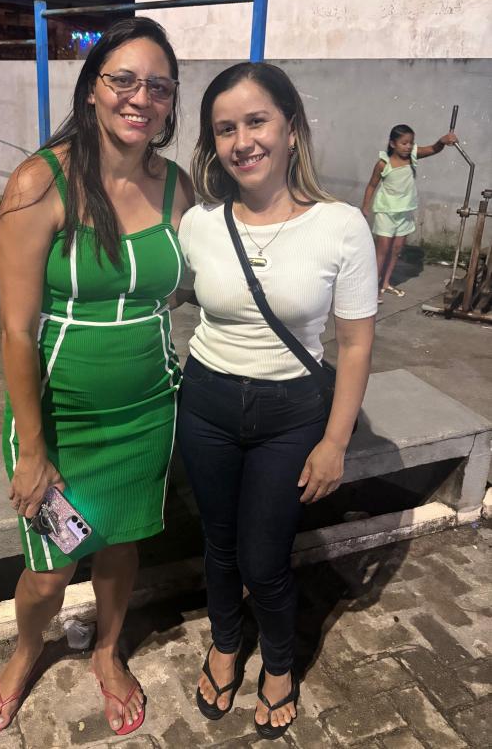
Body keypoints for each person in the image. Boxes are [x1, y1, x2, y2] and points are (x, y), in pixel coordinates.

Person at [0, 17, 193, 735]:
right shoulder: (40, 180)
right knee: (48, 571)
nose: (141, 98)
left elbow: (196, 281)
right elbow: (16, 329)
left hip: (148, 408)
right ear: (93, 88)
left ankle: (106, 649)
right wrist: (32, 448)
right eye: (123, 80)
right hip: (60, 417)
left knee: (122, 544)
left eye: (158, 86)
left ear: (171, 101)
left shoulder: (176, 186)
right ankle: (25, 651)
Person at [175, 62, 378, 740]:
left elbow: (355, 344)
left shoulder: (341, 225)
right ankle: (225, 645)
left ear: (291, 128)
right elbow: (161, 293)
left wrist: (335, 441)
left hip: (290, 417)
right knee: (219, 544)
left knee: (265, 560)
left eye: (256, 121)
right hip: (205, 402)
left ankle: (282, 662)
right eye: (224, 129)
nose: (242, 142)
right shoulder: (199, 223)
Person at [361, 123, 458, 301]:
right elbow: (372, 185)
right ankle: (371, 288)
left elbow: (434, 149)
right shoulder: (383, 163)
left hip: (405, 212)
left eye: (411, 143)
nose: (408, 146)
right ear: (393, 144)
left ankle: (385, 283)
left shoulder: (413, 156)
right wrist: (365, 206)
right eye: (404, 143)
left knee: (396, 249)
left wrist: (443, 141)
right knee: (382, 250)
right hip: (386, 212)